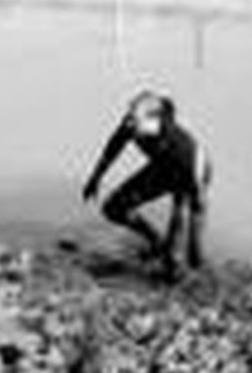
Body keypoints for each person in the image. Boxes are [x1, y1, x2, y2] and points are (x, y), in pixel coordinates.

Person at [81, 90, 211, 279]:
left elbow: (181, 207)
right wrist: (95, 179)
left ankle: (187, 268)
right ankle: (155, 241)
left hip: (193, 172)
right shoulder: (130, 127)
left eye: (136, 118)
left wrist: (195, 200)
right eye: (129, 115)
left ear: (154, 120)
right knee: (114, 208)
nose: (129, 122)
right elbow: (112, 149)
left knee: (191, 253)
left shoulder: (174, 140)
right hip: (162, 168)